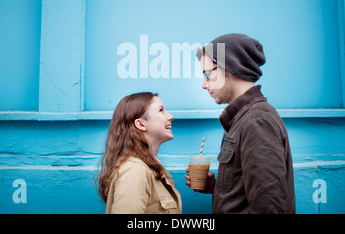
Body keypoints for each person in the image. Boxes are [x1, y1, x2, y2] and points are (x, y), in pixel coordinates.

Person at [185, 33, 296, 214]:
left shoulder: (257, 122)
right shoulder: (243, 119)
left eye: (208, 74)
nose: (204, 85)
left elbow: (269, 207)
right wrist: (217, 188)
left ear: (228, 69)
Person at [98, 92, 182, 214]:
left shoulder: (147, 168)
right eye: (161, 110)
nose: (170, 116)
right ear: (141, 124)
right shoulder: (135, 170)